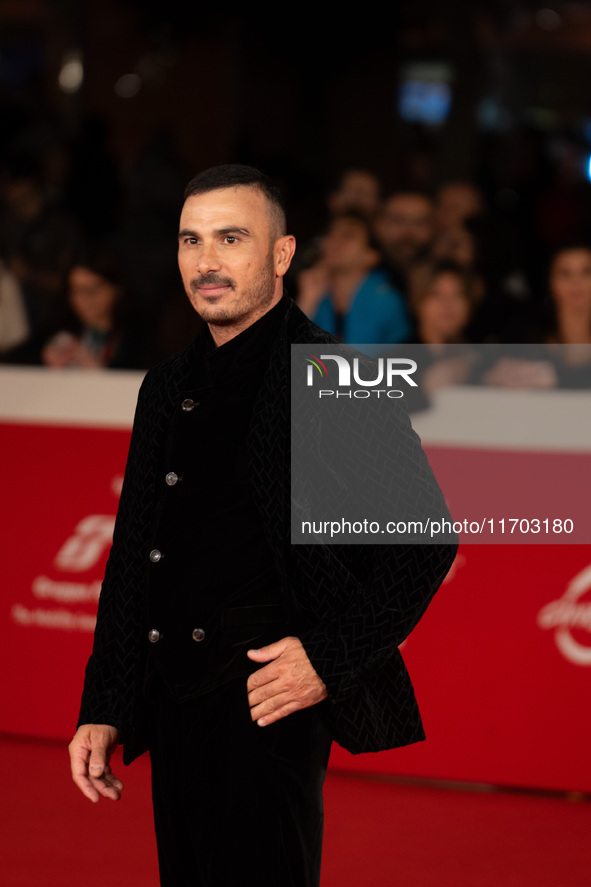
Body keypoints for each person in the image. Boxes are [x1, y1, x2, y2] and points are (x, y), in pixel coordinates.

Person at [69, 164, 457, 887]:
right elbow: (132, 558)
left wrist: (325, 659)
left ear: (281, 254)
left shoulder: (331, 373)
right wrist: (107, 702)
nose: (207, 261)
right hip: (171, 696)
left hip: (267, 704)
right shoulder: (165, 386)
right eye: (192, 240)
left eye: (231, 238)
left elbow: (425, 540)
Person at [298, 209, 410, 343]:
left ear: (371, 256)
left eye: (348, 236)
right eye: (330, 234)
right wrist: (306, 302)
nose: (334, 241)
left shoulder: (387, 300)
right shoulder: (317, 294)